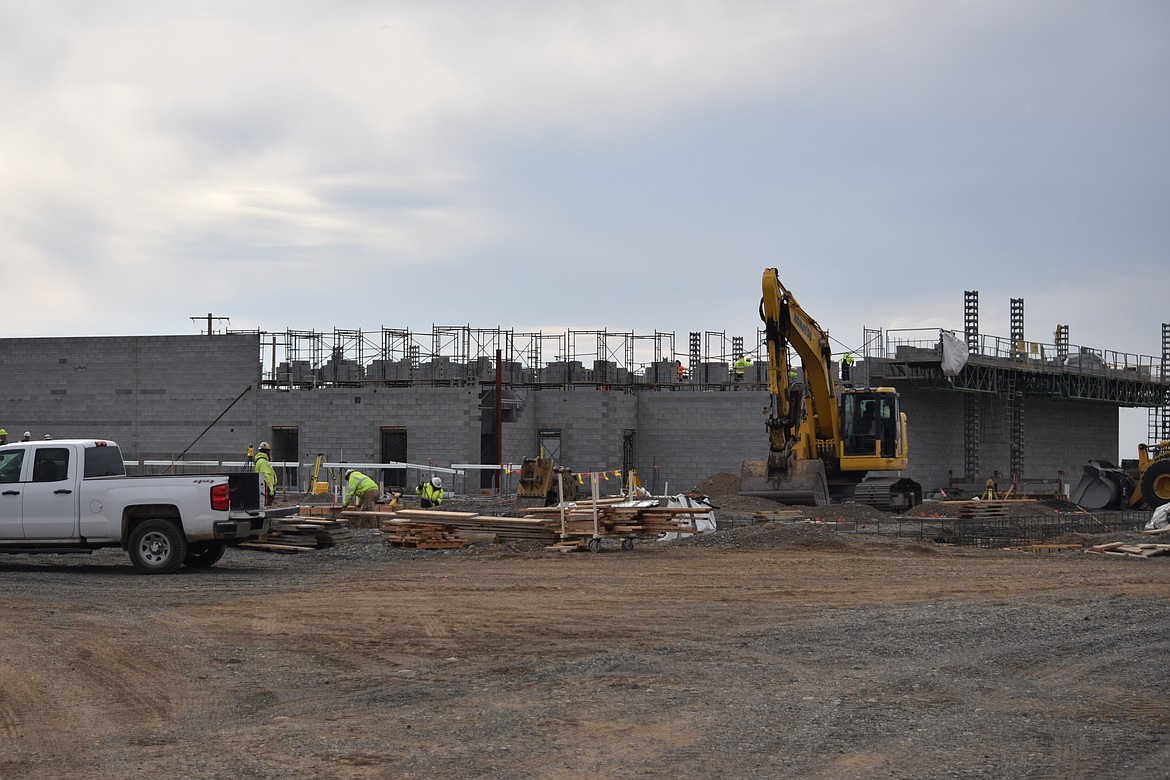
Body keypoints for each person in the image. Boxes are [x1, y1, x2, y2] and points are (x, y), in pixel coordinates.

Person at [254, 441, 277, 505]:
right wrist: (271, 488)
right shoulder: (263, 462)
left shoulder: (259, 461)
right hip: (266, 489)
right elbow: (266, 475)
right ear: (267, 452)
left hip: (263, 488)